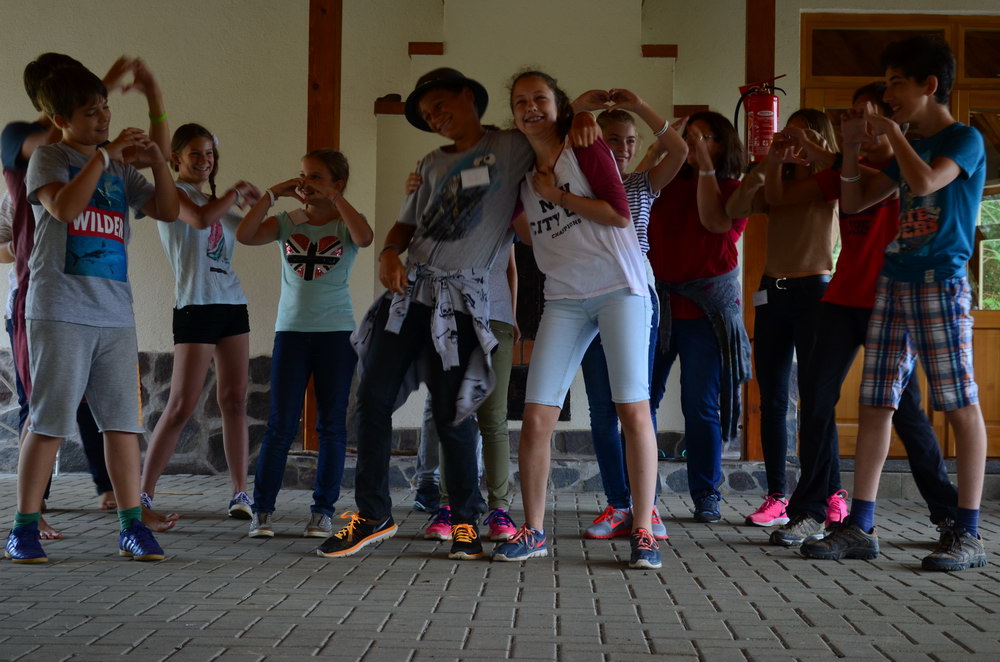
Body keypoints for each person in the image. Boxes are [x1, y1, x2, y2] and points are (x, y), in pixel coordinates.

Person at [316, 67, 597, 561]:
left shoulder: (510, 146)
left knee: (454, 413)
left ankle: (466, 521)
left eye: (440, 105)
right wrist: (388, 253)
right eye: (427, 115)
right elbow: (404, 226)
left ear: (468, 96)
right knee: (372, 399)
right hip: (410, 295)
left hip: (464, 303)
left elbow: (552, 123)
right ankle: (374, 515)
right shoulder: (429, 164)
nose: (435, 117)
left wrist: (586, 115)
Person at [802, 35, 987, 572]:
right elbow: (855, 200)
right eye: (886, 85)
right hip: (894, 281)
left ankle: (967, 532)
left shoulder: (963, 139)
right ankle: (860, 526)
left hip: (941, 282)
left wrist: (892, 134)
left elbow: (926, 182)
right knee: (876, 402)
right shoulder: (910, 144)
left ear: (930, 85)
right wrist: (850, 148)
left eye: (895, 84)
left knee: (958, 403)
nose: (886, 96)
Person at [768, 83, 958, 547]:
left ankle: (948, 514)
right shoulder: (845, 171)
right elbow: (784, 197)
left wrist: (835, 152)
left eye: (867, 118)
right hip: (840, 300)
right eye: (852, 117)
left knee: (908, 414)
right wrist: (788, 155)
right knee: (816, 403)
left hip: (890, 304)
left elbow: (880, 178)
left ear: (890, 121)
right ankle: (809, 511)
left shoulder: (904, 171)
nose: (859, 126)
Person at [4, 65, 179, 563]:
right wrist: (104, 156)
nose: (103, 118)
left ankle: (131, 526)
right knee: (49, 422)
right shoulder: (50, 157)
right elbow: (64, 209)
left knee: (122, 424)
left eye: (106, 107)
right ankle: (23, 528)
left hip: (115, 314)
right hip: (59, 310)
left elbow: (168, 210)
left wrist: (157, 164)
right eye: (90, 112)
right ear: (61, 119)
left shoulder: (121, 170)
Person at [492, 70, 660, 569]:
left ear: (557, 105)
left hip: (620, 289)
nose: (530, 108)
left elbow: (618, 213)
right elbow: (526, 232)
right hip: (564, 297)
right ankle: (533, 530)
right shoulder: (520, 170)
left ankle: (644, 530)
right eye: (520, 101)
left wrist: (559, 195)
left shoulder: (583, 147)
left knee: (632, 410)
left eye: (539, 99)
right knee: (536, 418)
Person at [568, 88, 687, 539]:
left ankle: (646, 508)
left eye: (630, 141)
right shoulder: (575, 187)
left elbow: (679, 150)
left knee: (636, 404)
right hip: (586, 298)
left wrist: (640, 107)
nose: (622, 148)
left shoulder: (641, 185)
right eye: (613, 139)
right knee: (602, 410)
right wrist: (579, 109)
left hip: (636, 300)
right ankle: (618, 504)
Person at [236, 149, 371, 539]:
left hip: (336, 335)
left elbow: (365, 237)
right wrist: (272, 194)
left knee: (331, 426)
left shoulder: (346, 223)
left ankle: (322, 512)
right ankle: (262, 511)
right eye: (301, 175)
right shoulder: (287, 222)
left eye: (315, 177)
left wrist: (336, 199)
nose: (305, 183)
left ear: (337, 184)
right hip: (291, 333)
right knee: (280, 424)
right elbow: (245, 235)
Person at [139, 123, 261, 527]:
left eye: (209, 153)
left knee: (235, 400)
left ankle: (240, 493)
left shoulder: (217, 201)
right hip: (195, 306)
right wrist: (234, 194)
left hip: (232, 305)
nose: (205, 160)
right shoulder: (171, 194)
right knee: (180, 405)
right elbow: (202, 219)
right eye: (196, 153)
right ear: (175, 158)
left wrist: (266, 202)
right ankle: (142, 495)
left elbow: (252, 234)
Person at [726, 109, 839, 527]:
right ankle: (777, 495)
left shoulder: (831, 178)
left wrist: (812, 150)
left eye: (802, 135)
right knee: (771, 399)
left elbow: (837, 179)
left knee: (816, 399)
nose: (792, 142)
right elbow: (734, 207)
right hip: (772, 292)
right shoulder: (778, 179)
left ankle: (832, 494)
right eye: (787, 134)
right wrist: (766, 165)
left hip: (814, 291)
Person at [646, 111, 751, 524]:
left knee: (700, 405)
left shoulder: (735, 190)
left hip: (707, 312)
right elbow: (627, 193)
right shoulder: (665, 182)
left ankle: (706, 494)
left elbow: (713, 222)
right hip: (658, 306)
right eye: (689, 136)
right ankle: (641, 494)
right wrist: (659, 148)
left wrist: (705, 167)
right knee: (641, 400)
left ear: (724, 144)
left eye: (706, 136)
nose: (695, 142)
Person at [416, 243, 520, 544]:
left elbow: (511, 267)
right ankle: (448, 508)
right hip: (451, 318)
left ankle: (499, 510)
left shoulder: (503, 217)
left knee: (494, 420)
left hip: (496, 319)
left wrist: (512, 315)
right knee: (454, 417)